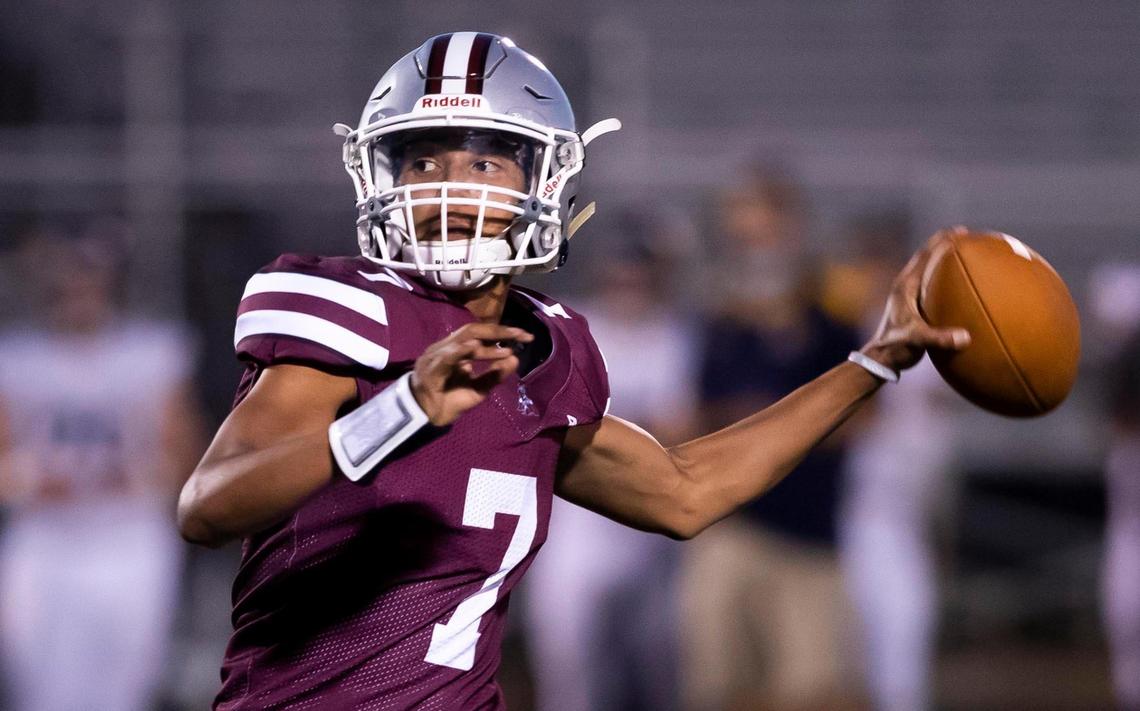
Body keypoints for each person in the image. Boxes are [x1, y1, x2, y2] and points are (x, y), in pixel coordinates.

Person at [177, 32, 972, 709]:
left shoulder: (547, 352)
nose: (450, 187)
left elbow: (686, 489)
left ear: (546, 180)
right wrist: (402, 410)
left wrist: (871, 362)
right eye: (422, 161)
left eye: (486, 164)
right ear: (381, 177)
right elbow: (208, 505)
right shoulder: (344, 309)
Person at [679, 166, 862, 711]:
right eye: (742, 233)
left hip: (808, 533)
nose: (752, 246)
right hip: (728, 524)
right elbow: (698, 418)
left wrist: (765, 424)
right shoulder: (719, 324)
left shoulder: (831, 321)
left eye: (762, 231)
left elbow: (863, 419)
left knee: (809, 691)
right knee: (718, 684)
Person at [0, 226, 204, 711]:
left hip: (129, 537)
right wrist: (28, 478)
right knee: (43, 685)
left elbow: (187, 453)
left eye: (86, 276)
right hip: (46, 538)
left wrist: (139, 477)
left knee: (125, 685)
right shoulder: (17, 357)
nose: (76, 289)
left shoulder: (150, 352)